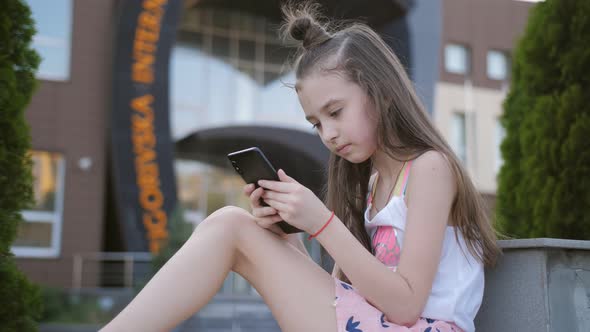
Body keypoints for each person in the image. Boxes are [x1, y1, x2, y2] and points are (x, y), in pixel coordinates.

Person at [100, 2, 500, 332]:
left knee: (229, 226)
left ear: (381, 93)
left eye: (336, 112)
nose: (327, 133)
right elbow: (343, 298)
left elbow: (406, 306)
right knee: (239, 228)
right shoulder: (372, 185)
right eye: (316, 123)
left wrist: (322, 223)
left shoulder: (431, 168)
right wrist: (288, 239)